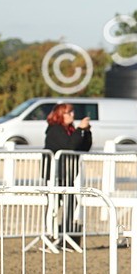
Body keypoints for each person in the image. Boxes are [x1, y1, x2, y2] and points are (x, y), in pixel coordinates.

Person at [44, 103, 93, 245]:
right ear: (60, 115)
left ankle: (67, 233)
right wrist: (79, 130)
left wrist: (86, 132)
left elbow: (83, 148)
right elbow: (69, 146)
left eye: (72, 112)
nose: (72, 115)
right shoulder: (55, 130)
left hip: (68, 175)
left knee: (71, 202)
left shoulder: (70, 130)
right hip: (55, 176)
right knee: (53, 205)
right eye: (68, 112)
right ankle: (50, 235)